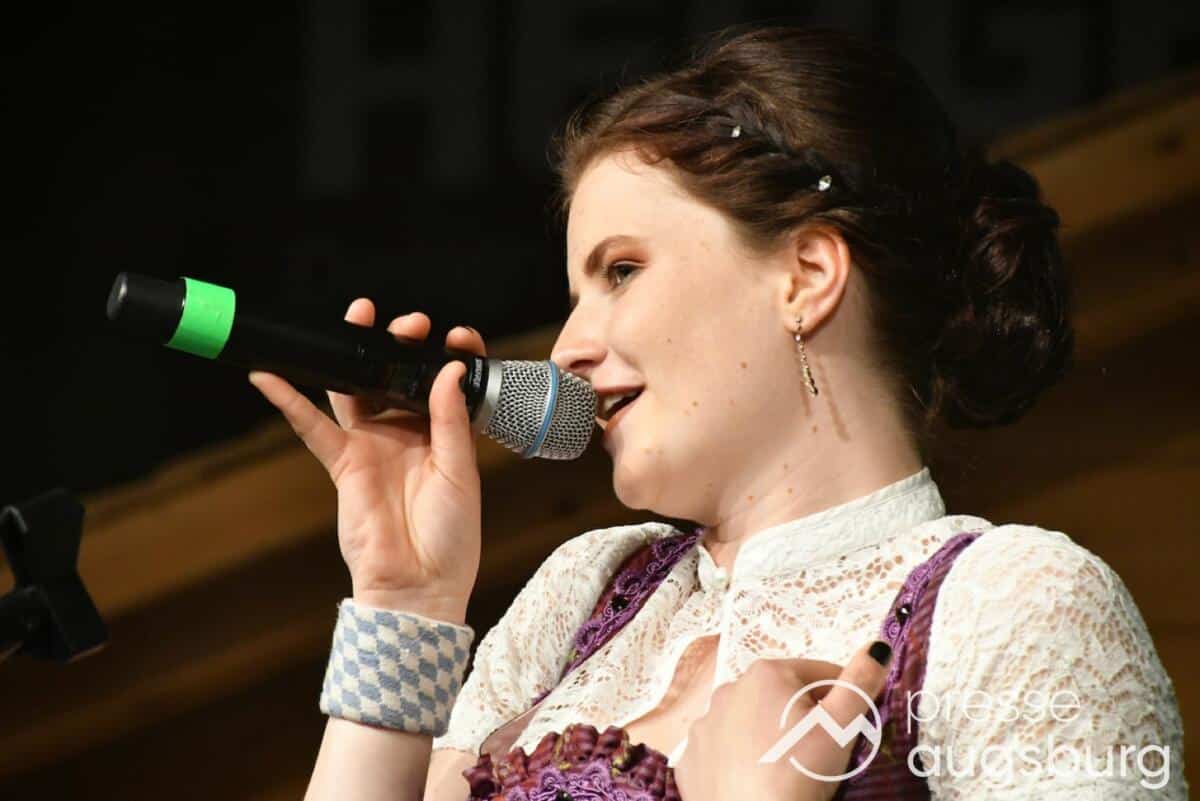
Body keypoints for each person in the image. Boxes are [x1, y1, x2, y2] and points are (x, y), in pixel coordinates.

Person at [250, 25, 1187, 801]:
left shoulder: (1016, 600)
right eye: (576, 294)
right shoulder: (585, 587)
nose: (568, 348)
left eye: (621, 271)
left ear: (806, 275)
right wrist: (404, 605)